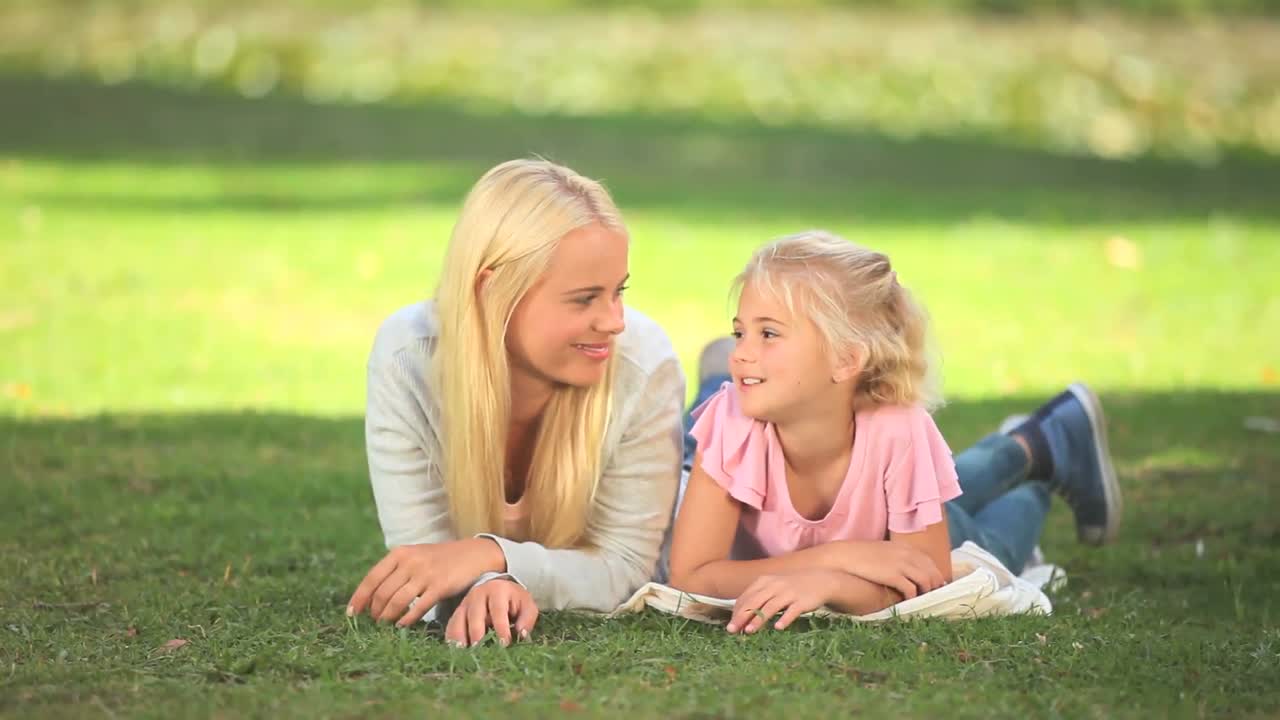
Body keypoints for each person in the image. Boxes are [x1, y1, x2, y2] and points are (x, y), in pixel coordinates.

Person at [668, 230, 1122, 634]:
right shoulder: (733, 421)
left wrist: (828, 585)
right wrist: (840, 559)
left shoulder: (899, 429)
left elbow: (928, 580)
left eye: (768, 334)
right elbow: (690, 578)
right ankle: (1040, 443)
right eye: (739, 332)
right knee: (953, 500)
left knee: (988, 548)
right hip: (884, 547)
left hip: (904, 542)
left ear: (847, 360)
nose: (740, 354)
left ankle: (1037, 480)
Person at [346, 159, 685, 647]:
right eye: (585, 298)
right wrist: (490, 586)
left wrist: (491, 557)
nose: (614, 321)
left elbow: (628, 568)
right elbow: (424, 561)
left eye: (619, 292)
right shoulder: (408, 357)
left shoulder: (644, 364)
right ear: (491, 291)